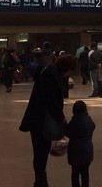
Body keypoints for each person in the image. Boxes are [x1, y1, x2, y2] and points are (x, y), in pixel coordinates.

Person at [20, 52, 76, 187]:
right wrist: (61, 118)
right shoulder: (49, 76)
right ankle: (40, 181)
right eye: (70, 71)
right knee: (40, 151)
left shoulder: (50, 73)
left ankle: (40, 179)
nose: (69, 75)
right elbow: (50, 100)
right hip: (39, 120)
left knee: (41, 151)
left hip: (40, 119)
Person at [66, 100, 95, 187]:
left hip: (75, 151)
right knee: (85, 173)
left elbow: (67, 132)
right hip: (87, 150)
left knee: (75, 172)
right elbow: (93, 126)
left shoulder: (73, 123)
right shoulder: (89, 121)